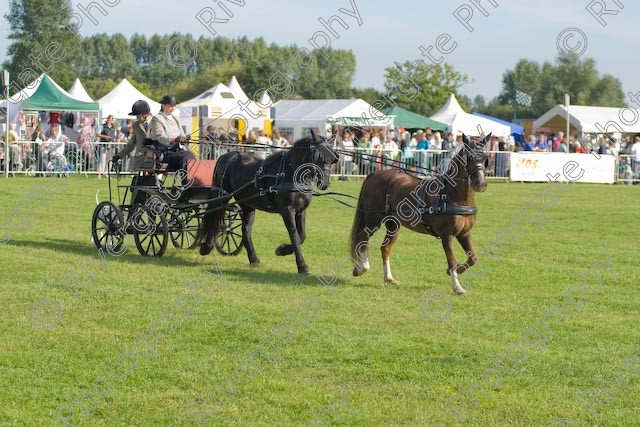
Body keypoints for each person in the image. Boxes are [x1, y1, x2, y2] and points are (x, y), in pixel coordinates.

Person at [150, 95, 194, 172]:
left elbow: (182, 135)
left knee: (192, 157)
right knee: (185, 158)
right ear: (163, 105)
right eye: (170, 106)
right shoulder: (157, 119)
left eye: (174, 106)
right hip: (165, 151)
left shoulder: (176, 119)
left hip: (177, 150)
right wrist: (174, 139)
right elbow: (159, 137)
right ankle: (186, 183)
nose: (172, 108)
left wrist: (185, 139)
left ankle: (193, 182)